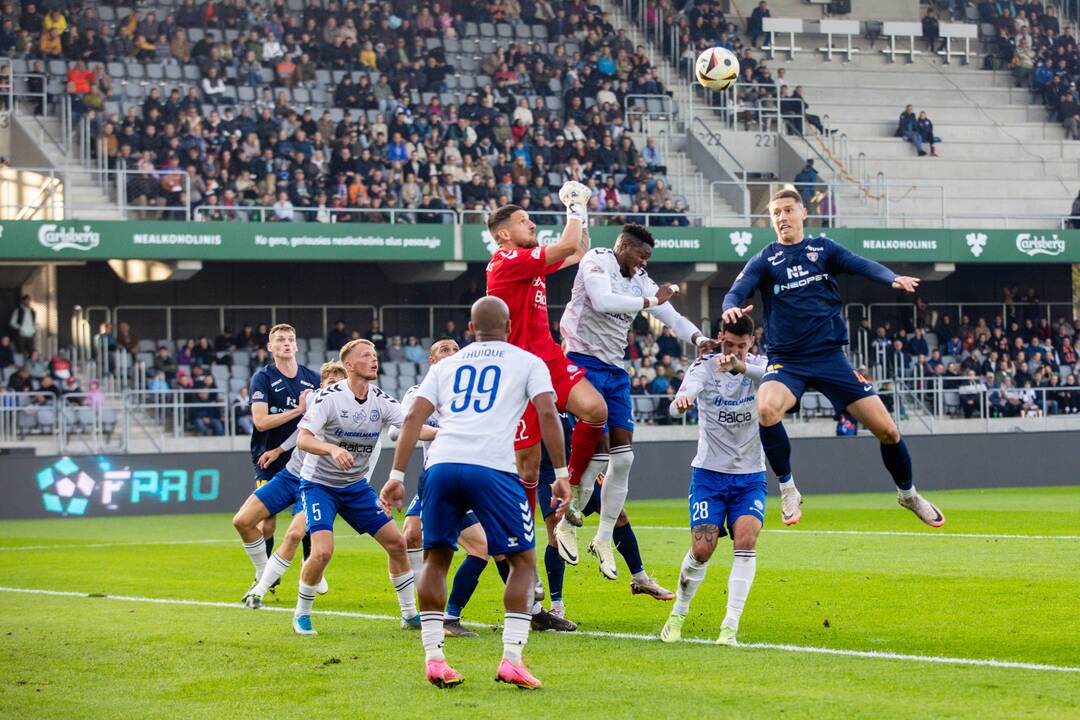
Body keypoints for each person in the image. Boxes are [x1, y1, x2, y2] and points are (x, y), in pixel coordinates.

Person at [722, 189, 945, 527]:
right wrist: (730, 308)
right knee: (766, 409)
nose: (781, 218)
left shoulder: (823, 249)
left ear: (802, 213)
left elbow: (860, 264)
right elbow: (736, 291)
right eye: (775, 214)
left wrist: (891, 278)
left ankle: (908, 494)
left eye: (787, 211)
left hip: (830, 359)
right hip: (787, 361)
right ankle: (788, 489)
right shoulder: (765, 259)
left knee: (887, 430)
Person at [380, 296, 571, 690]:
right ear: (509, 324)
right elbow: (548, 413)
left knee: (436, 557)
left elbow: (414, 416)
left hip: (442, 464)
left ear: (470, 329)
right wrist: (563, 472)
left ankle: (434, 660)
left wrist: (397, 473)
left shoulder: (446, 365)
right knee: (521, 559)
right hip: (493, 467)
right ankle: (512, 659)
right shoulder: (527, 361)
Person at [553, 223, 709, 578]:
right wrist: (652, 300)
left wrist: (699, 338)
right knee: (600, 448)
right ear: (623, 245)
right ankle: (567, 520)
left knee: (624, 458)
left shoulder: (640, 278)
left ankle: (604, 537)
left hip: (614, 369)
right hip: (580, 361)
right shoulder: (597, 260)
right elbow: (603, 302)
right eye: (640, 254)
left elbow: (672, 317)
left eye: (647, 258)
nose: (643, 262)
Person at [661, 315, 791, 646]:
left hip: (749, 476)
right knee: (703, 549)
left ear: (752, 344)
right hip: (709, 474)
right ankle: (678, 613)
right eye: (729, 344)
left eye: (741, 346)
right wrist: (682, 401)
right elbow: (678, 406)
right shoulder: (705, 367)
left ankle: (729, 627)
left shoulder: (760, 368)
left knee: (746, 540)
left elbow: (784, 378)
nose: (734, 351)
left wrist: (741, 367)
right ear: (719, 338)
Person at [483, 190, 607, 536]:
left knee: (595, 409)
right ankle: (520, 545)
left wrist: (583, 211)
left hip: (549, 357)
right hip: (518, 371)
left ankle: (577, 489)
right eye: (524, 220)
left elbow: (578, 250)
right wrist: (573, 207)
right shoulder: (505, 260)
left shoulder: (528, 258)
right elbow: (568, 246)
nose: (532, 222)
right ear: (504, 234)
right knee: (528, 468)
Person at [291, 339, 435, 636]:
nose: (373, 360)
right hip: (320, 485)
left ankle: (409, 615)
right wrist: (331, 449)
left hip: (355, 487)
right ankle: (301, 615)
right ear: (349, 365)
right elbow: (303, 439)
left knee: (397, 543)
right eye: (365, 355)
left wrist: (448, 433)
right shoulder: (328, 397)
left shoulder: (380, 400)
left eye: (374, 355)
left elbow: (411, 427)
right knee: (322, 552)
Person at [536, 411, 673, 627]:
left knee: (618, 513)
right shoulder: (539, 389)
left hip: (579, 462)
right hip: (549, 469)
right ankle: (556, 607)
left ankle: (640, 579)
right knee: (555, 530)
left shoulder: (575, 385)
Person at [241, 361, 348, 608]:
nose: (335, 387)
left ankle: (260, 589)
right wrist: (278, 450)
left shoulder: (356, 412)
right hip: (290, 474)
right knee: (242, 520)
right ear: (322, 385)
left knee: (294, 533)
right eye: (330, 382)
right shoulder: (314, 399)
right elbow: (301, 433)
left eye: (340, 383)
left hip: (315, 482)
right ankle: (266, 570)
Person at [232, 324, 319, 586]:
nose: (286, 343)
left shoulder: (312, 378)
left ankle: (310, 571)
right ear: (270, 347)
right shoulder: (263, 378)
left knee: (305, 518)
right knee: (266, 523)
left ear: (296, 346)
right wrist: (298, 411)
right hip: (268, 457)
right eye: (280, 340)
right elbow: (260, 422)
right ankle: (263, 570)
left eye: (290, 339)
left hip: (304, 458)